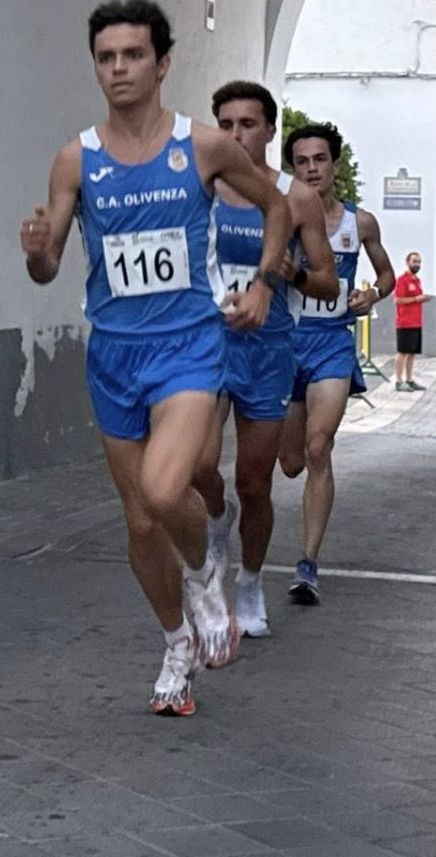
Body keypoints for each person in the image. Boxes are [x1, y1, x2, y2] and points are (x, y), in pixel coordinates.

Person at [20, 0, 294, 716]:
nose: (118, 69)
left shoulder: (200, 146)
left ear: (162, 62)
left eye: (133, 55)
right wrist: (38, 251)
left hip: (189, 350)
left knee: (164, 492)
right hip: (113, 355)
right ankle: (177, 641)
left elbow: (277, 205)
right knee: (140, 524)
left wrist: (265, 283)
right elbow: (48, 269)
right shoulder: (75, 158)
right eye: (106, 57)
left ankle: (206, 571)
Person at [191, 82, 337, 641]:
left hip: (268, 352)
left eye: (247, 124)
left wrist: (281, 273)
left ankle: (249, 581)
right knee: (198, 464)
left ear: (270, 130)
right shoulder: (202, 188)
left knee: (255, 481)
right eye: (225, 124)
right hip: (208, 344)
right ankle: (215, 515)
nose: (235, 136)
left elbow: (326, 283)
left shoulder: (295, 199)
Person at [278, 121, 395, 606]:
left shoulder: (359, 223)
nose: (311, 170)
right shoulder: (279, 219)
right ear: (292, 168)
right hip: (285, 346)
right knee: (288, 463)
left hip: (330, 345)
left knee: (319, 447)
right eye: (301, 162)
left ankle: (307, 564)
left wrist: (371, 293)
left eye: (319, 160)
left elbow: (385, 274)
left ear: (334, 165)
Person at [393, 252, 430, 391]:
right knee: (402, 352)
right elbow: (397, 300)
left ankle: (409, 379)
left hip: (416, 322)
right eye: (414, 261)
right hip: (405, 322)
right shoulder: (402, 280)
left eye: (419, 262)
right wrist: (416, 299)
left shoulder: (417, 280)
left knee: (412, 353)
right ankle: (398, 380)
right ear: (407, 262)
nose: (417, 265)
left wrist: (423, 298)